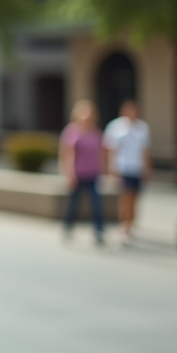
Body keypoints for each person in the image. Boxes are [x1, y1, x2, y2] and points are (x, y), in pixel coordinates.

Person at [60, 99, 106, 245]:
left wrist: (104, 170)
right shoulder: (71, 131)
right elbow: (66, 154)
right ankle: (68, 227)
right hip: (77, 174)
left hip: (93, 173)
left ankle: (99, 231)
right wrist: (69, 174)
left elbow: (101, 153)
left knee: (97, 204)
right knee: (74, 203)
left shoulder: (96, 132)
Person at [104, 99, 151, 241]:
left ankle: (132, 224)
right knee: (126, 197)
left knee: (135, 198)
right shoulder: (115, 127)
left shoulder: (142, 128)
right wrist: (110, 169)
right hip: (122, 168)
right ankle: (124, 224)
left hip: (137, 168)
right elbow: (110, 150)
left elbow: (145, 150)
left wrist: (147, 168)